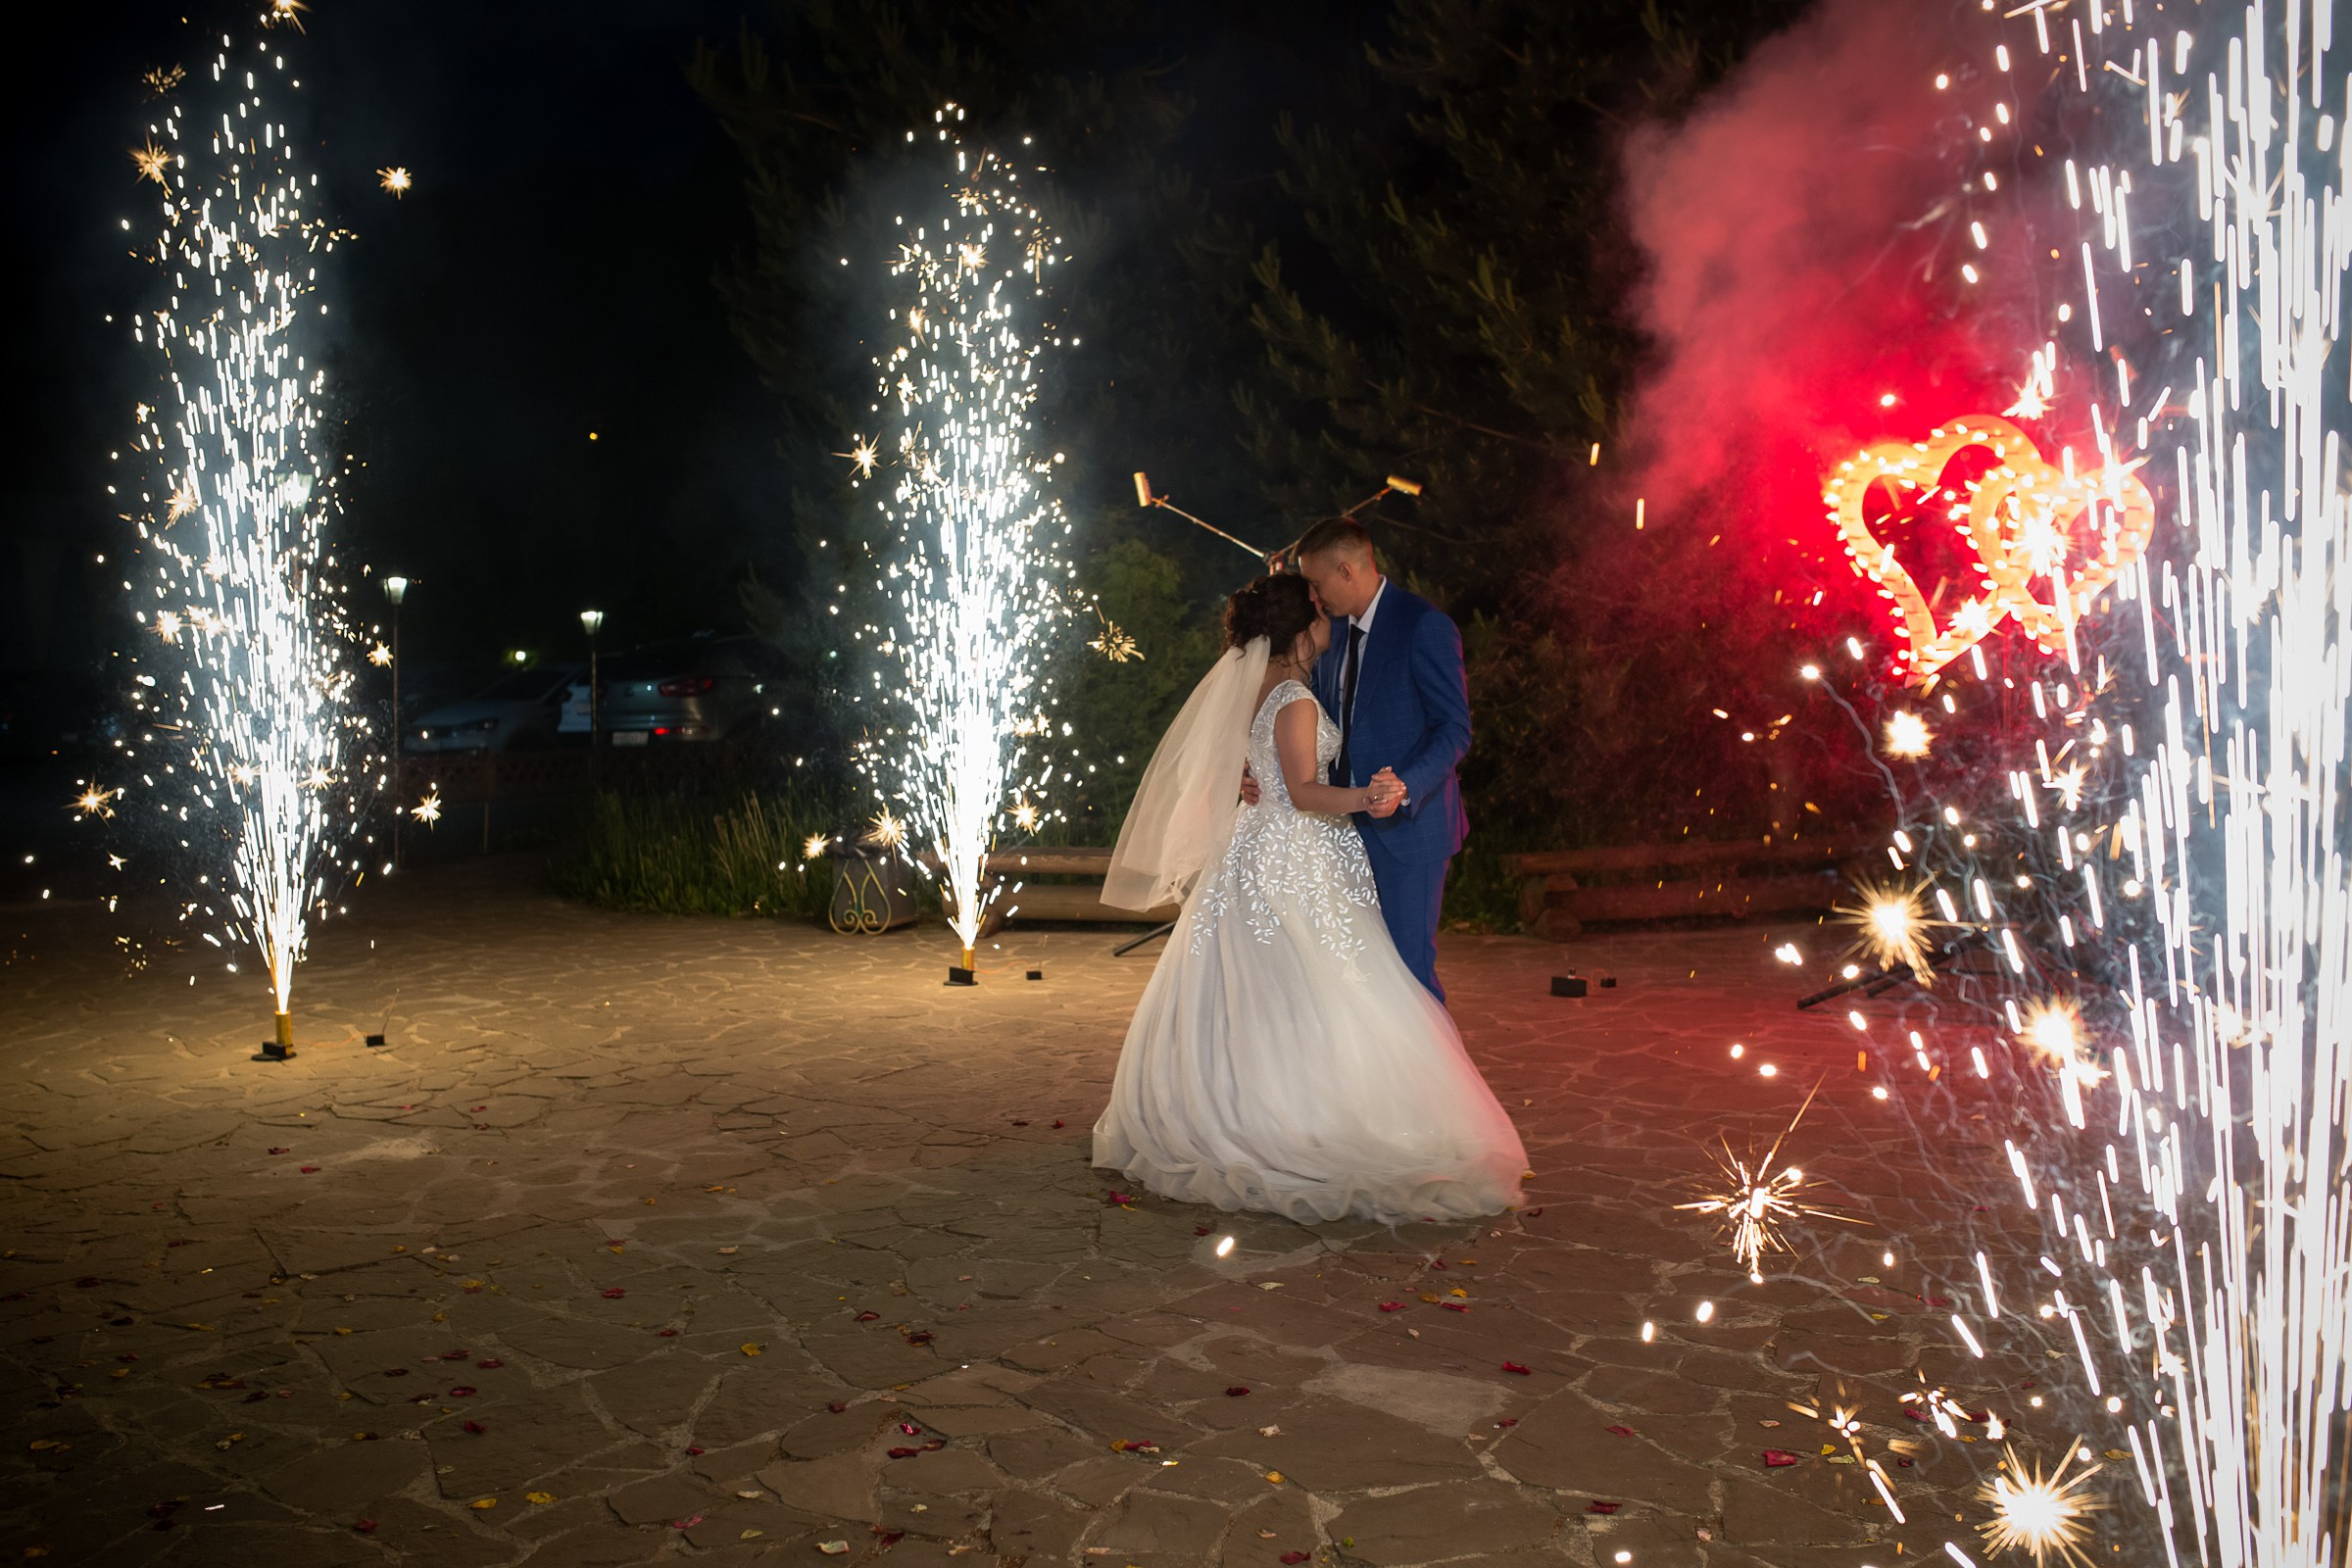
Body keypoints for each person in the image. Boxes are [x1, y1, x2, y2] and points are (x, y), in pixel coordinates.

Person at [1094, 573, 1526, 1224]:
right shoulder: (1294, 695)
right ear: (1301, 630)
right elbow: (1299, 791)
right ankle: (1304, 1117)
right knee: (1322, 981)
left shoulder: (1256, 688)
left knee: (1264, 983)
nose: (1329, 622)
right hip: (1294, 851)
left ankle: (1238, 1102)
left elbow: (1255, 773)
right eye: (1319, 614)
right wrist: (1368, 798)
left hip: (1254, 851)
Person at [1253, 516, 1470, 1001]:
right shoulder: (1330, 638)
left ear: (1347, 571)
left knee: (1408, 973)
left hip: (1409, 832)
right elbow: (1316, 729)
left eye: (1315, 582)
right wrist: (1265, 775)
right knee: (1358, 978)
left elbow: (1454, 728)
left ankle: (1426, 1078)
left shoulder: (1422, 625)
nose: (1312, 596)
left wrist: (1403, 786)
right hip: (1340, 836)